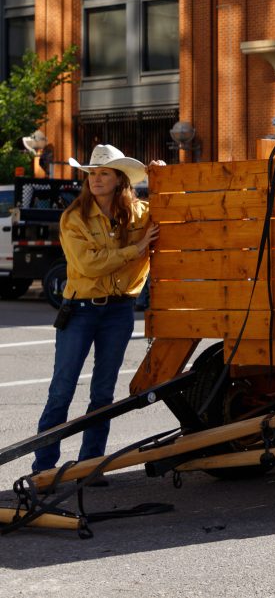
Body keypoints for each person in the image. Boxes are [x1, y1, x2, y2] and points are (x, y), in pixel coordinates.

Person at [32, 145, 159, 477]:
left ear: (119, 180)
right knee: (62, 389)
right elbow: (89, 265)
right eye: (92, 173)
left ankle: (91, 465)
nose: (96, 179)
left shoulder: (140, 212)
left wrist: (162, 175)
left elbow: (174, 205)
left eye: (104, 173)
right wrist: (136, 249)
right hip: (81, 310)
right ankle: (43, 470)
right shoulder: (74, 217)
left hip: (119, 310)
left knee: (103, 392)